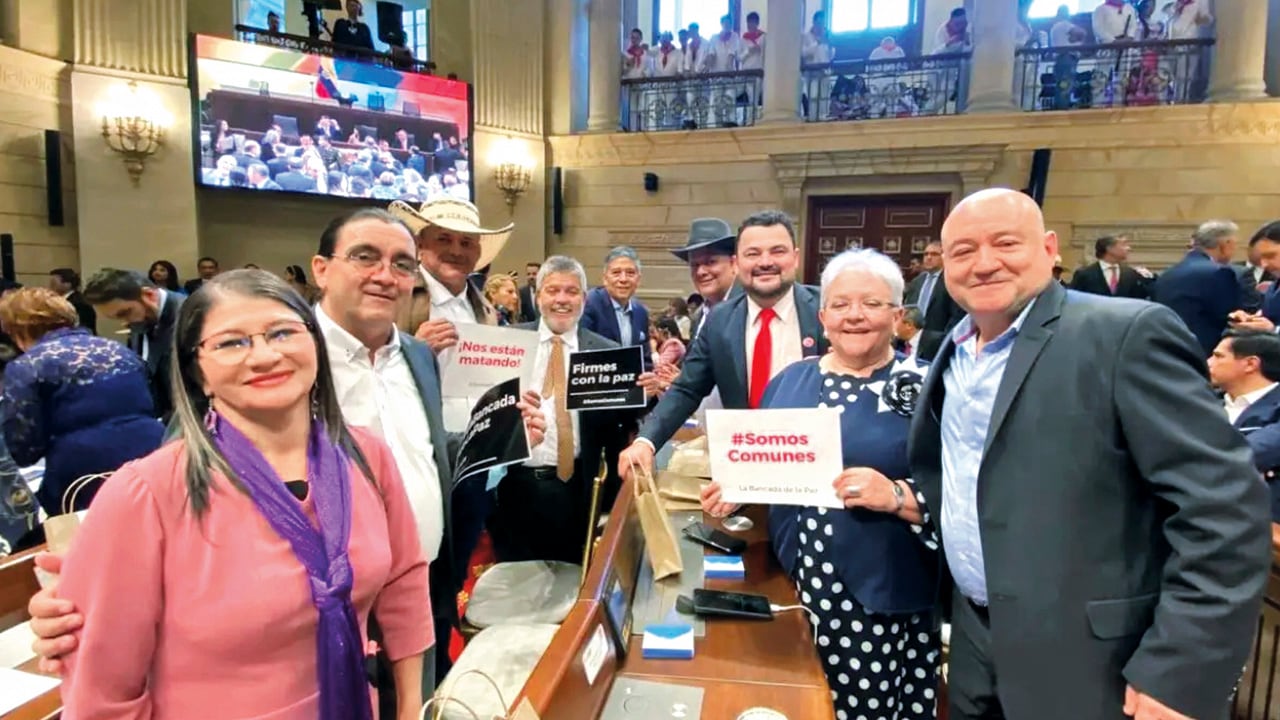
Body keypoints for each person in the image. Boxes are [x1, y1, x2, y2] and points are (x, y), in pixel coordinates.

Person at [908, 188, 1269, 720]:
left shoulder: (1124, 333)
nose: (984, 264)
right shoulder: (954, 349)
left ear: (1050, 248)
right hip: (976, 646)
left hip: (1095, 662)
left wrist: (1180, 670)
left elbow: (1225, 510)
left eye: (1005, 243)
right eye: (962, 251)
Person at [54, 270, 431, 718]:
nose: (265, 355)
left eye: (283, 332)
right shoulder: (146, 495)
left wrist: (411, 707)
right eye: (232, 342)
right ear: (199, 372)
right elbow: (101, 694)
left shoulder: (366, 455)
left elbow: (404, 583)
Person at [702, 248, 939, 718]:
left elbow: (969, 494)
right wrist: (738, 485)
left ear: (897, 315)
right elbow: (771, 466)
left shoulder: (928, 386)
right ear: (823, 315)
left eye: (872, 304)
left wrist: (895, 496)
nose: (855, 316)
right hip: (792, 587)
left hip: (878, 598)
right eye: (841, 304)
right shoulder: (790, 381)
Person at [618, 210, 827, 477]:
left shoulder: (827, 309)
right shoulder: (719, 320)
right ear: (738, 263)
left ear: (795, 258)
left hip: (816, 469)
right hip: (745, 468)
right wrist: (645, 442)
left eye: (777, 251)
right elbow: (687, 389)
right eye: (753, 254)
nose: (765, 262)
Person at [491, 256, 634, 562]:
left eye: (571, 292)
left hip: (578, 492)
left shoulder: (607, 352)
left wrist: (643, 395)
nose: (561, 300)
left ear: (583, 298)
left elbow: (617, 426)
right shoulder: (507, 343)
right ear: (538, 294)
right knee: (518, 584)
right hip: (515, 488)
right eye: (553, 290)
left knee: (572, 585)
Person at [0, 288, 163, 518]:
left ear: (18, 330)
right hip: (153, 456)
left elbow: (24, 449)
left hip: (83, 474)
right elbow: (153, 403)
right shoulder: (120, 351)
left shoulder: (28, 366)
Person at [82, 268, 185, 421]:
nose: (125, 322)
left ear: (148, 295)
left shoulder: (191, 315)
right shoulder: (141, 318)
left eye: (124, 313)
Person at [1150, 220, 1243, 355]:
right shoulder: (1219, 272)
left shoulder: (1169, 272)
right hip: (1205, 351)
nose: (1235, 250)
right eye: (1235, 244)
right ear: (1225, 244)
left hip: (1168, 347)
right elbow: (1229, 317)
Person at [581, 245, 652, 371]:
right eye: (616, 273)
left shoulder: (641, 312)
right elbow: (583, 355)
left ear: (638, 279)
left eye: (630, 273)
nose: (623, 279)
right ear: (605, 278)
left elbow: (644, 361)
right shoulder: (589, 305)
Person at [669, 218, 738, 339]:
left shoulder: (748, 310)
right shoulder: (700, 315)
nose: (701, 272)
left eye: (710, 262)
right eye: (695, 265)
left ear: (733, 263)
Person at [1069, 235, 1152, 299]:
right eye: (1123, 245)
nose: (1128, 248)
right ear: (1109, 248)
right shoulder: (1085, 274)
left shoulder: (1131, 274)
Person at [47, 268, 96, 333]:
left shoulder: (79, 303)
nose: (50, 286)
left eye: (53, 283)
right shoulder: (60, 300)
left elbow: (82, 326)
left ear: (68, 284)